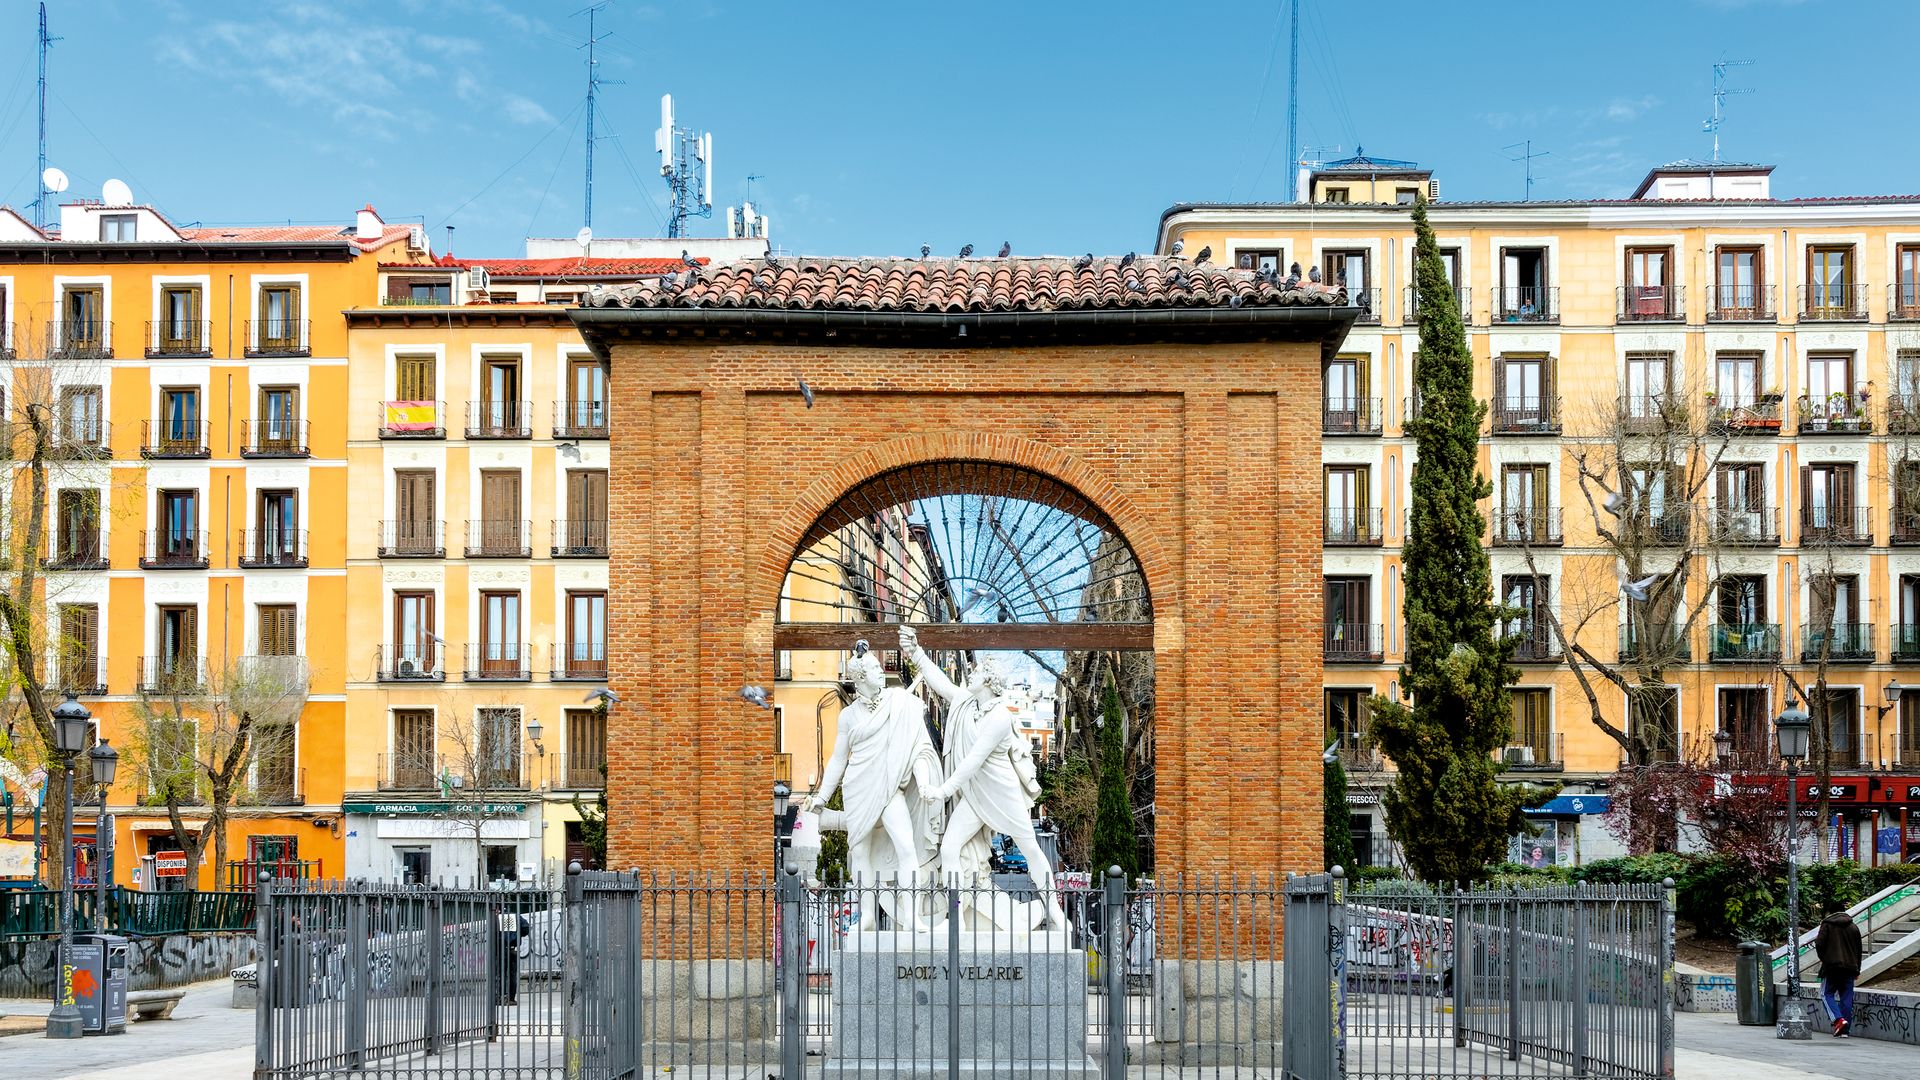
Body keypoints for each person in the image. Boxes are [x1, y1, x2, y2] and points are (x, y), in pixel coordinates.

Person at [804, 635, 944, 930]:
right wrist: (822, 796)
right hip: (858, 787)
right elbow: (838, 760)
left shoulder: (900, 702)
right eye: (874, 670)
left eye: (880, 669)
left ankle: (912, 917)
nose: (881, 672)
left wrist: (923, 780)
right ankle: (867, 916)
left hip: (890, 788)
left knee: (907, 849)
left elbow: (919, 747)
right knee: (861, 854)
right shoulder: (848, 717)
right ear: (859, 679)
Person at [1815, 901, 1863, 1037]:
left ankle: (1838, 1020)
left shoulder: (1827, 925)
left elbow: (1819, 944)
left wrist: (1825, 959)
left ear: (1830, 912)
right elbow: (1859, 950)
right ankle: (1845, 1031)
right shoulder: (1853, 926)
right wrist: (1857, 969)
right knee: (1846, 997)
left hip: (1832, 967)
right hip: (1850, 967)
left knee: (1826, 994)